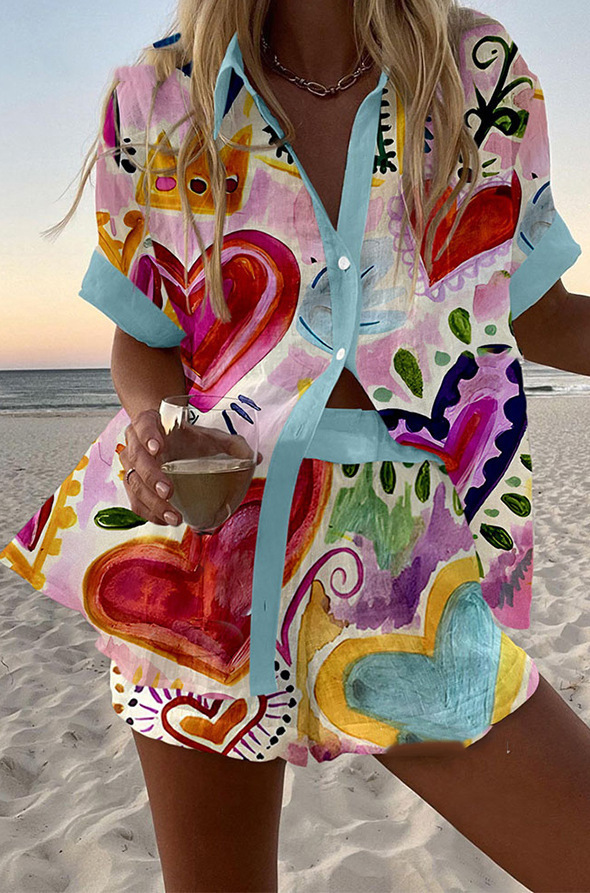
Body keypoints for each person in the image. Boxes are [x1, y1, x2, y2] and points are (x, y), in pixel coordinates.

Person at [2, 0, 590, 890]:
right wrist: (157, 425)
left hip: (412, 562)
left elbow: (537, 311)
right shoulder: (161, 94)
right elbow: (146, 337)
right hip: (203, 566)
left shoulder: (477, 71)